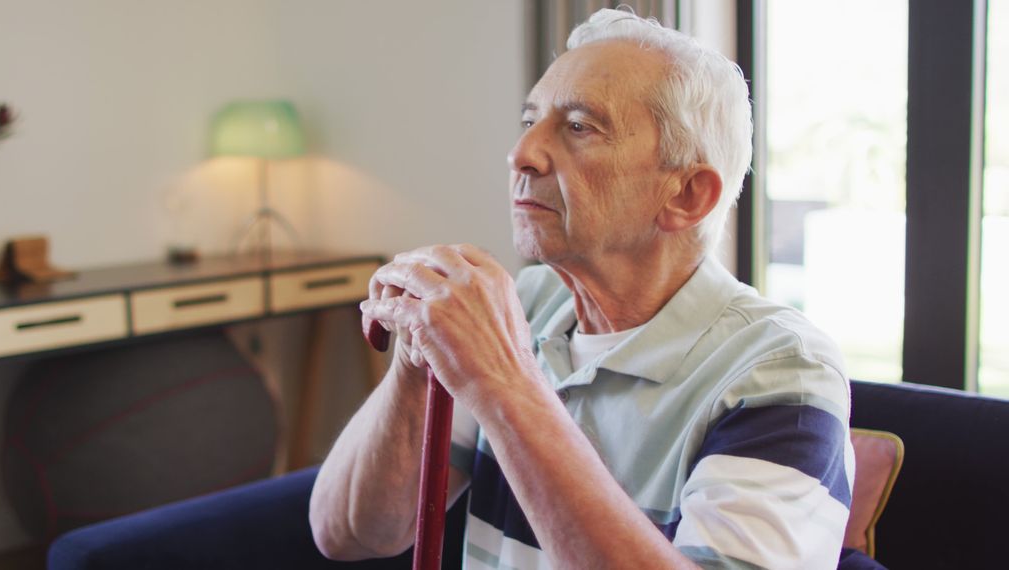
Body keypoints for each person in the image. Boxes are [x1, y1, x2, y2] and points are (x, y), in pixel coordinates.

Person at [310, 8, 853, 570]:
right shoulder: (528, 302)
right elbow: (351, 534)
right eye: (529, 122)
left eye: (579, 126)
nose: (521, 154)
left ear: (688, 195)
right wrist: (417, 365)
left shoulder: (781, 370)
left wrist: (500, 381)